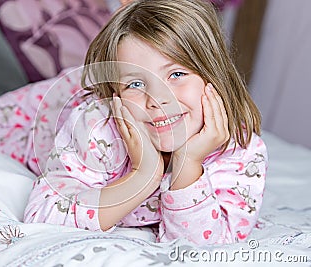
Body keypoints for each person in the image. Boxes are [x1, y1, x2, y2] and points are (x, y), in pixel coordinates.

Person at [22, 0, 268, 245]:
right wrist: (144, 176)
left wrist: (188, 165)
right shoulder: (99, 129)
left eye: (176, 74)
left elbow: (210, 248)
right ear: (115, 96)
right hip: (37, 116)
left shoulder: (241, 152)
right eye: (135, 84)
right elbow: (44, 216)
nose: (158, 99)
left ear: (214, 74)